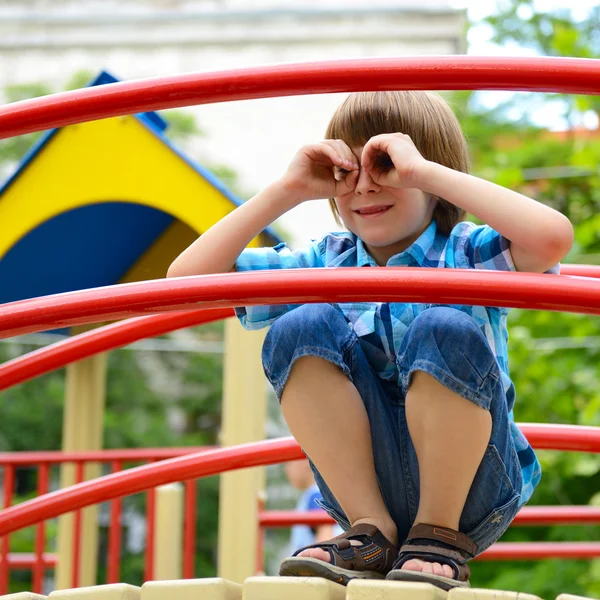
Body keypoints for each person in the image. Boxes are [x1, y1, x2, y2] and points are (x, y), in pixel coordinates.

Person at [167, 90, 573, 590]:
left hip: (473, 485)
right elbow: (185, 285)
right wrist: (288, 190)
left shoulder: (469, 251)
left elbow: (551, 239)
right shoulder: (323, 262)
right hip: (365, 488)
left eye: (384, 164)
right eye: (347, 170)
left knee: (441, 328)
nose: (365, 185)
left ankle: (438, 532)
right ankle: (370, 530)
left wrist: (423, 172)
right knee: (299, 325)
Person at [284, 459, 344, 557]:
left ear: (304, 462)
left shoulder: (315, 495)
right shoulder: (320, 492)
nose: (286, 469)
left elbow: (325, 535)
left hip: (314, 565)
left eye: (289, 462)